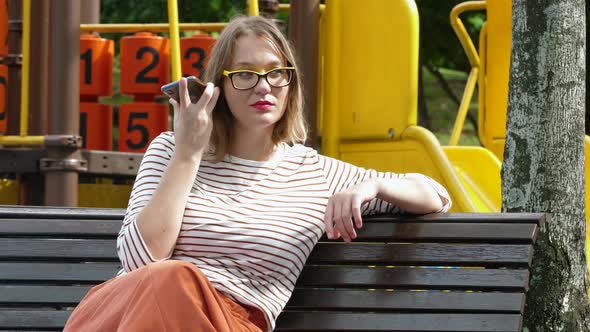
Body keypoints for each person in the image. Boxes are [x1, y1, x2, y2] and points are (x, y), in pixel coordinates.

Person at [64, 15, 451, 332]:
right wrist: (188, 154)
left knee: (171, 281)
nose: (263, 86)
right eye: (245, 74)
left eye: (275, 72)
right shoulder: (171, 149)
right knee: (169, 280)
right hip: (135, 308)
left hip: (231, 323)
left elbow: (436, 195)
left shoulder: (316, 172)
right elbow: (139, 261)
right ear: (219, 87)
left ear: (290, 83)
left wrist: (374, 184)